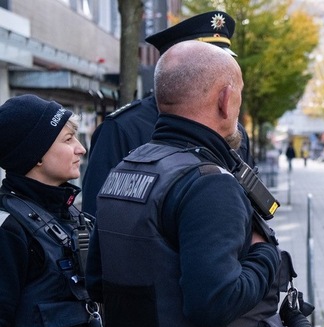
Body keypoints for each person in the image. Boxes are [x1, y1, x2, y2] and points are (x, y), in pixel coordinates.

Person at [84, 41, 316, 327]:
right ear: (225, 99)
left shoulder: (127, 168)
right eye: (238, 94)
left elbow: (97, 280)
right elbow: (214, 303)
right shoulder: (208, 183)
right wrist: (266, 254)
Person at [81, 11, 253, 217]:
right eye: (204, 64)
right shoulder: (123, 128)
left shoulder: (233, 129)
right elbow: (96, 218)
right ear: (174, 67)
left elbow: (252, 208)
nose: (219, 73)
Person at [0, 95, 106, 327]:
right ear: (36, 155)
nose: (81, 149)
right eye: (68, 139)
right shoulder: (9, 229)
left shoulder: (74, 216)